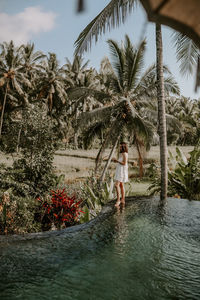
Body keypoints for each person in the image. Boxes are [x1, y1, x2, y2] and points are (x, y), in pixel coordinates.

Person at [113, 142, 128, 207]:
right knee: (121, 185)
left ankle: (118, 200)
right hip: (119, 170)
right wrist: (117, 161)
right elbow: (121, 162)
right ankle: (123, 199)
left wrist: (117, 161)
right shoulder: (121, 154)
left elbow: (124, 163)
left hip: (122, 171)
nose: (119, 148)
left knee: (116, 185)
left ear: (123, 147)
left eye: (120, 146)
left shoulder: (125, 154)